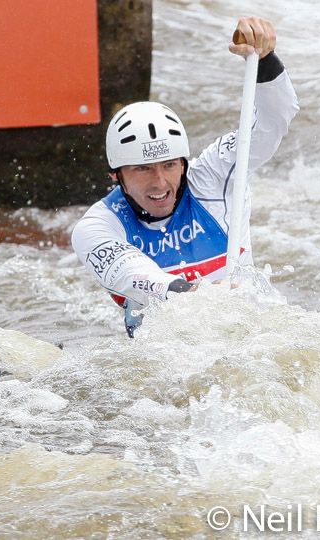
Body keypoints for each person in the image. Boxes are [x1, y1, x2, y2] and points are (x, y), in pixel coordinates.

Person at [71, 16, 299, 337]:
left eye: (169, 165)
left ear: (183, 163)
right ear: (115, 176)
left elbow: (273, 122)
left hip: (251, 335)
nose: (160, 183)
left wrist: (264, 59)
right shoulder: (96, 227)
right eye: (142, 169)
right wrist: (199, 296)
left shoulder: (214, 175)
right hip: (169, 352)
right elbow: (134, 274)